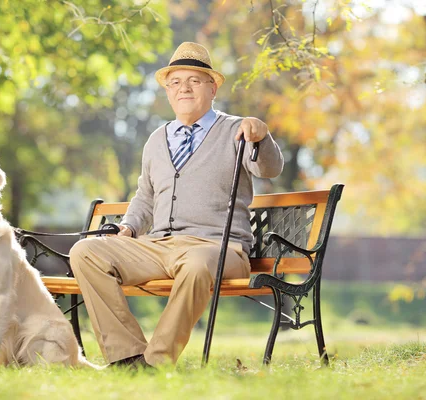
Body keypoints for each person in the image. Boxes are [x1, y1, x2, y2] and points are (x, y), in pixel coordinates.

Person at [69, 42, 284, 368]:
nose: (183, 88)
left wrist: (262, 136)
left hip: (219, 249)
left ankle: (156, 362)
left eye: (194, 81)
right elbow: (145, 196)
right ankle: (128, 357)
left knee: (196, 263)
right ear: (168, 92)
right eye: (175, 82)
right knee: (85, 252)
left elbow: (269, 169)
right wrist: (128, 227)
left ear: (212, 88)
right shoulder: (157, 139)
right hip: (159, 246)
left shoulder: (236, 130)